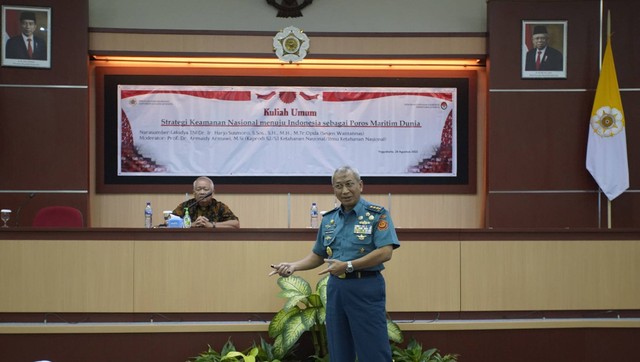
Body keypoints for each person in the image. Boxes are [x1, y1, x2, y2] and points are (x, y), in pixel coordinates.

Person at [270, 166, 400, 361]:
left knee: (373, 348)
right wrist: (293, 266)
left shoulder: (377, 214)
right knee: (339, 347)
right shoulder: (329, 219)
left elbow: (385, 252)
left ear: (360, 185)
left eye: (349, 184)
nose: (344, 191)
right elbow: (318, 255)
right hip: (336, 288)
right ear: (333, 189)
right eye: (338, 186)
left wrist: (349, 266)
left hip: (365, 285)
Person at [171, 176, 240, 228]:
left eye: (205, 189)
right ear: (194, 193)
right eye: (199, 189)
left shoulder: (219, 206)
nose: (202, 192)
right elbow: (168, 222)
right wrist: (191, 224)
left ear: (212, 193)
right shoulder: (186, 206)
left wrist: (212, 225)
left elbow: (236, 224)